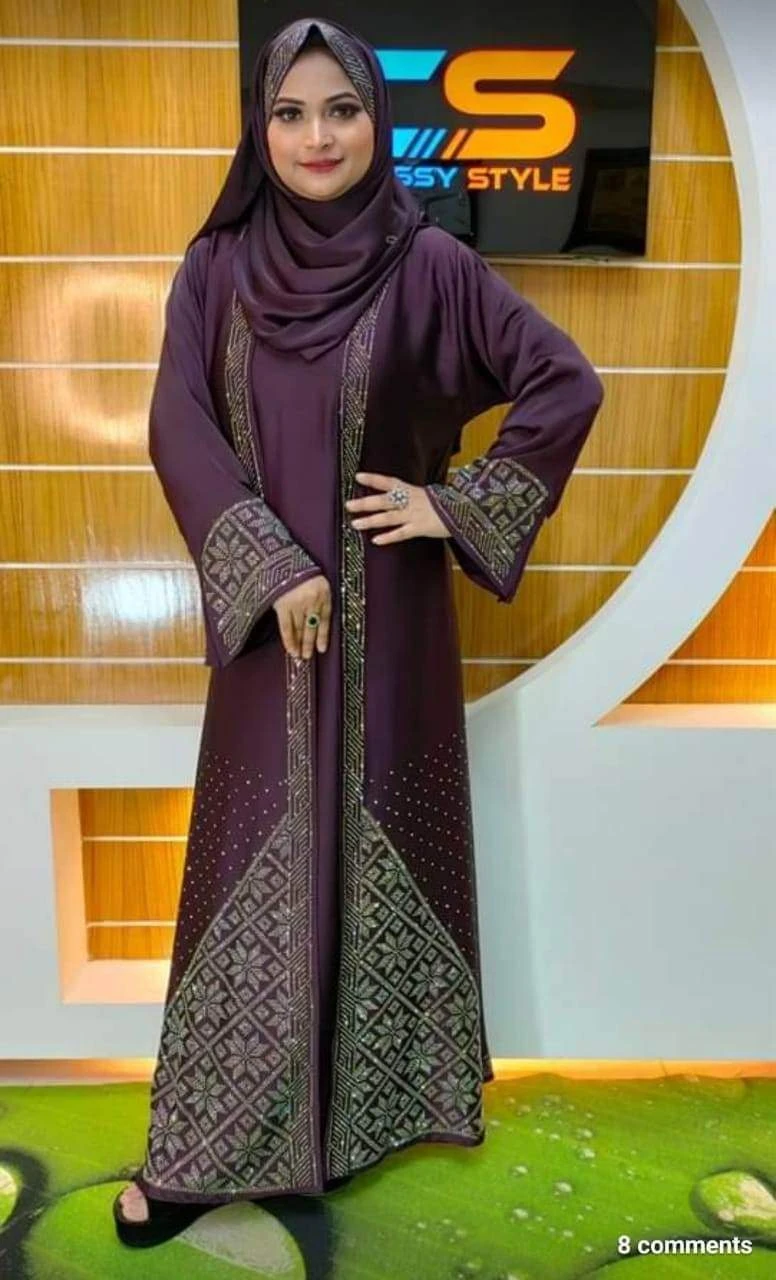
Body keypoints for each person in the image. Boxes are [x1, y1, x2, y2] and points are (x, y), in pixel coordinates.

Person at [113, 14, 604, 1247]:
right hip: (267, 640)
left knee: (377, 845)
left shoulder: (427, 264)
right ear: (260, 127)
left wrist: (452, 503)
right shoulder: (215, 267)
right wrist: (268, 559)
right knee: (254, 862)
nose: (316, 136)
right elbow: (178, 425)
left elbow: (564, 381)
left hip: (393, 629)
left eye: (340, 109)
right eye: (289, 113)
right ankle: (210, 1146)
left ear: (376, 121)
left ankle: (371, 1113)